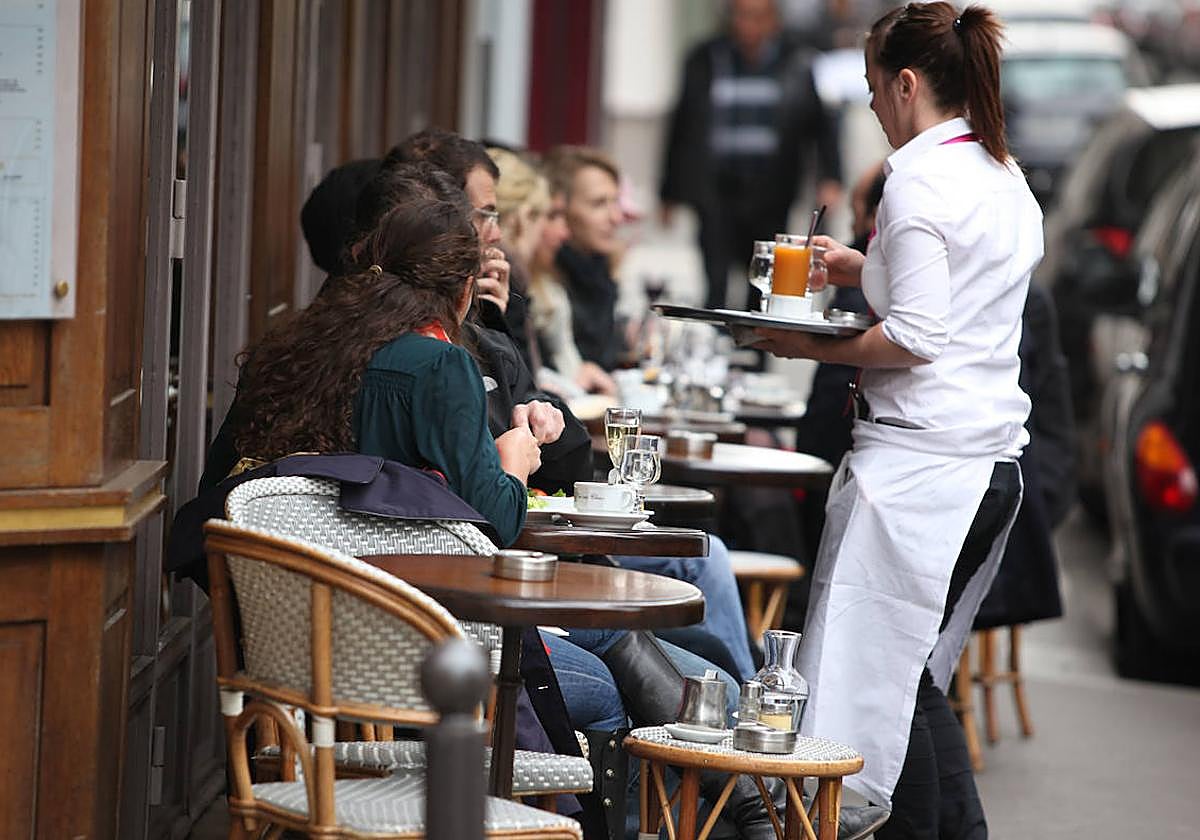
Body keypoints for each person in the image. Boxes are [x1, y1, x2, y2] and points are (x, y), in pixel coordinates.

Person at [229, 187, 787, 840]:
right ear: (464, 286)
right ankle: (743, 807)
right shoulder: (439, 364)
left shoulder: (331, 348)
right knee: (646, 679)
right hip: (432, 645)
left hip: (325, 641)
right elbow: (497, 517)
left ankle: (750, 805)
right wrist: (515, 458)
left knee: (655, 658)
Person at [744, 5, 1041, 838]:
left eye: (876, 89)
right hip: (988, 466)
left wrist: (805, 346)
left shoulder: (917, 177)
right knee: (908, 684)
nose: (873, 106)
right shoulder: (998, 171)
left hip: (921, 475)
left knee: (874, 694)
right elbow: (957, 301)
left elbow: (915, 334)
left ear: (907, 83)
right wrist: (865, 266)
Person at [660, 0, 842, 310]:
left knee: (761, 280)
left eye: (758, 17)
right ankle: (715, 348)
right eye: (742, 16)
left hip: (771, 188)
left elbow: (820, 124)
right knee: (715, 278)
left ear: (774, 21)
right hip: (715, 187)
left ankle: (753, 353)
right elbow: (681, 125)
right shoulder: (705, 59)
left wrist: (831, 176)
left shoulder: (796, 61)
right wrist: (668, 192)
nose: (748, 26)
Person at [488, 147, 617, 398]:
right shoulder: (508, 281)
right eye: (599, 203)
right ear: (521, 219)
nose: (616, 216)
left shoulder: (586, 277)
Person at [541, 145, 627, 372]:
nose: (616, 217)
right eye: (598, 203)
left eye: (615, 201)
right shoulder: (540, 283)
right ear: (559, 208)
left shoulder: (598, 270)